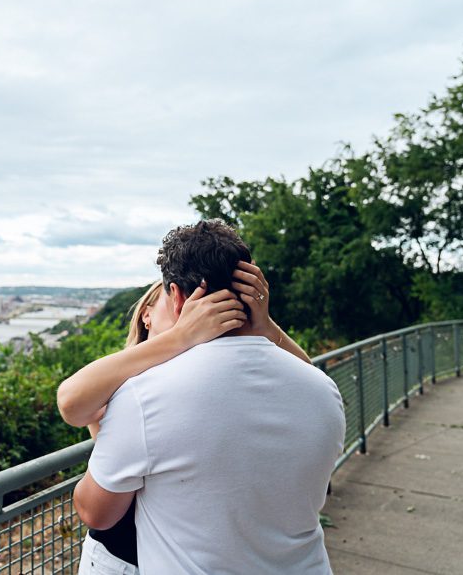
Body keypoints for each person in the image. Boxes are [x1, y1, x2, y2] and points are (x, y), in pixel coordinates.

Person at [72, 219, 346, 574]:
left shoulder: (145, 396)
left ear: (176, 296)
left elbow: (96, 513)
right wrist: (266, 325)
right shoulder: (322, 390)